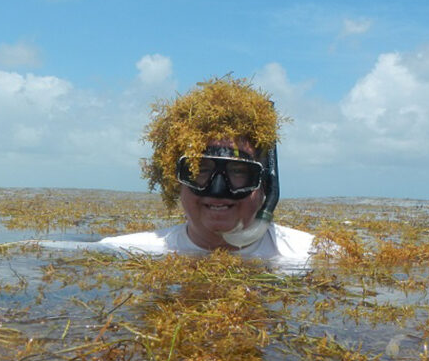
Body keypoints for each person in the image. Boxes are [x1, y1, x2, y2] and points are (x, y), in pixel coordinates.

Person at [99, 76, 315, 264]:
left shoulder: (315, 255)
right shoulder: (122, 253)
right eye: (200, 169)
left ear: (264, 184)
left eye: (238, 171)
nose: (218, 190)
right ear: (175, 180)